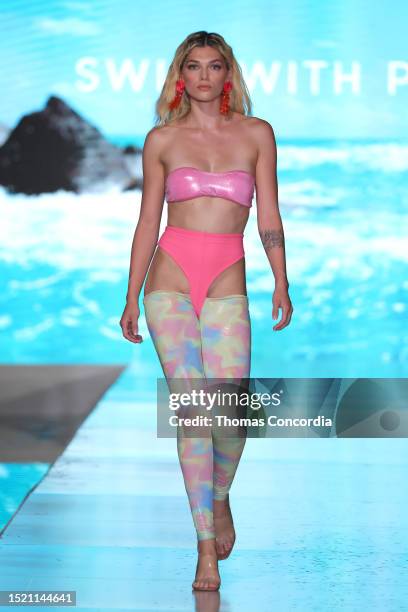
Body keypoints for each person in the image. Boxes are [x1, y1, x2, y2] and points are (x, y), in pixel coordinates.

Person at [120, 31, 293, 591]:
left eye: (214, 66)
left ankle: (220, 500)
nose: (203, 76)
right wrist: (129, 297)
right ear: (180, 76)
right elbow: (148, 220)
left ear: (228, 75)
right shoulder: (161, 141)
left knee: (232, 413)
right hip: (168, 280)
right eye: (192, 66)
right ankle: (203, 548)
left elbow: (268, 213)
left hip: (227, 281)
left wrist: (281, 281)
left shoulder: (257, 135)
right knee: (194, 412)